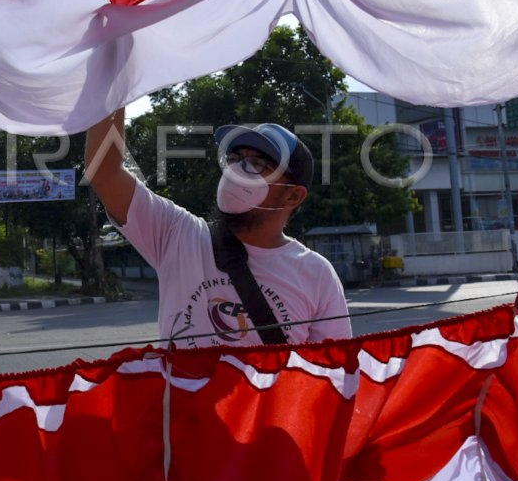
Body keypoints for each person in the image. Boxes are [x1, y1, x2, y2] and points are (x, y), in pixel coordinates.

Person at [86, 109, 351, 347]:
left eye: (257, 164)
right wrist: (114, 81)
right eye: (235, 158)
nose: (237, 170)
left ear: (293, 196)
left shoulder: (317, 275)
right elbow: (104, 172)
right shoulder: (178, 234)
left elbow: (331, 378)